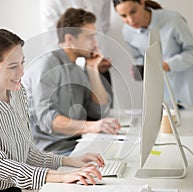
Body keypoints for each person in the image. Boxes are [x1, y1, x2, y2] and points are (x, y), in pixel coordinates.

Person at [0, 28, 106, 192]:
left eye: (22, 63)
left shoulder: (18, 94)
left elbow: (29, 153)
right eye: (12, 66)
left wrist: (72, 161)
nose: (22, 72)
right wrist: (63, 177)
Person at [22, 8, 121, 155]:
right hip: (50, 153)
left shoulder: (78, 70)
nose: (95, 43)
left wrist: (92, 69)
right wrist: (92, 127)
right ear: (69, 39)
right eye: (90, 37)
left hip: (76, 145)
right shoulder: (46, 66)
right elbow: (47, 121)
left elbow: (100, 111)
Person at [113, 0, 193, 109]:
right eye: (123, 16)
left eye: (133, 12)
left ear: (142, 3)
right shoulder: (127, 32)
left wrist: (168, 65)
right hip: (165, 99)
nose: (130, 20)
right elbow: (139, 57)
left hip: (191, 94)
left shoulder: (173, 20)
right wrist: (140, 68)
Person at [40, 0, 113, 105]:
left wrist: (95, 62)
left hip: (96, 64)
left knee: (104, 113)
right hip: (67, 68)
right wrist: (76, 64)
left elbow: (103, 26)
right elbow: (52, 38)